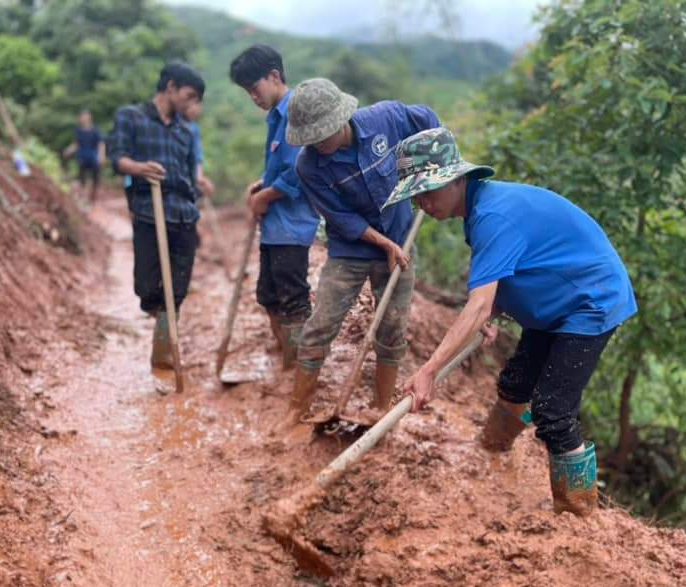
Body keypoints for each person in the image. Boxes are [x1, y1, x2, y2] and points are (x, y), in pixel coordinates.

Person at [387, 127, 638, 517]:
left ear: (456, 180)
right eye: (416, 197)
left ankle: (580, 518)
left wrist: (429, 371)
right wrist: (494, 308)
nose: (423, 204)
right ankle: (490, 455)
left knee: (553, 411)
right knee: (514, 384)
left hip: (590, 301)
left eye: (429, 192)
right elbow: (513, 273)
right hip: (555, 302)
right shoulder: (480, 211)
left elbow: (477, 305)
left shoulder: (492, 216)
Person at [274, 78, 440, 431]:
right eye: (311, 141)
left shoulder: (388, 118)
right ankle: (296, 408)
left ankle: (380, 408)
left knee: (393, 326)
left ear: (340, 121)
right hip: (350, 248)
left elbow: (428, 122)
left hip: (401, 240)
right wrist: (383, 244)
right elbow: (341, 218)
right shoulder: (309, 166)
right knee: (320, 325)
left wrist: (433, 168)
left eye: (322, 137)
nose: (318, 146)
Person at [108, 61, 205, 369]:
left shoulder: (185, 131)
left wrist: (200, 187)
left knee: (177, 290)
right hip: (149, 212)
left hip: (184, 216)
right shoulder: (131, 117)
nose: (191, 104)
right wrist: (139, 168)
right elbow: (117, 158)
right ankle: (164, 329)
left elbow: (189, 173)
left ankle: (163, 354)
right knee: (148, 288)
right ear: (171, 87)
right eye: (189, 95)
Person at [229, 45, 319, 369]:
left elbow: (299, 171)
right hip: (275, 227)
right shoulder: (275, 118)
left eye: (255, 88)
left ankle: (302, 371)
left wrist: (264, 197)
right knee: (268, 296)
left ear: (275, 76)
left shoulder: (296, 113)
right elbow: (279, 167)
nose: (253, 97)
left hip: (292, 227)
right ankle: (287, 360)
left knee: (293, 301)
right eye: (247, 92)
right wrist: (261, 185)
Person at [62, 110, 104, 205]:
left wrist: (101, 156)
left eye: (85, 116)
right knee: (82, 178)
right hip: (82, 157)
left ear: (89, 117)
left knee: (95, 179)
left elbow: (101, 144)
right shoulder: (78, 131)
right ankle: (83, 197)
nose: (83, 119)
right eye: (81, 117)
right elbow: (76, 144)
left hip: (93, 157)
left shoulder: (96, 130)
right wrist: (68, 150)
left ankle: (92, 198)